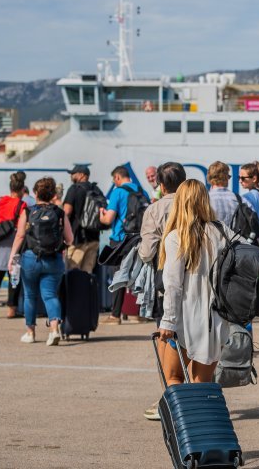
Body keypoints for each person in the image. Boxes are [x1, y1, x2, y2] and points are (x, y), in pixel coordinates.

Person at [208, 161, 259, 350]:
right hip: (256, 247)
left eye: (243, 178)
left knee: (234, 295)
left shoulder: (245, 198)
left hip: (224, 250)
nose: (240, 181)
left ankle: (233, 340)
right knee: (251, 290)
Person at [157, 179, 228, 386]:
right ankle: (202, 418)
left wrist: (168, 321)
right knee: (202, 383)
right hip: (216, 319)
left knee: (173, 377)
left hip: (185, 319)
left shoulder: (176, 237)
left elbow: (173, 285)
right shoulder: (221, 232)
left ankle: (182, 419)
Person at [138, 162, 186, 422]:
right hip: (198, 281)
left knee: (165, 337)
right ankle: (196, 395)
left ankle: (170, 398)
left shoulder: (155, 209)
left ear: (162, 184)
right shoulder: (196, 207)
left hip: (166, 279)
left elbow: (146, 252)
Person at [8, 177, 74, 345]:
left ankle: (30, 333)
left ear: (36, 193)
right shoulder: (59, 212)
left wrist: (12, 257)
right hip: (53, 259)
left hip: (31, 258)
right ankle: (54, 330)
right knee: (50, 295)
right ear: (53, 194)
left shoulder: (28, 212)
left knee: (30, 295)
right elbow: (70, 239)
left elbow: (20, 236)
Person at [99, 165, 148, 325]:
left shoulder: (118, 192)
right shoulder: (142, 192)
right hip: (138, 239)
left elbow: (108, 219)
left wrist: (101, 216)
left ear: (117, 178)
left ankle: (115, 315)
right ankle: (138, 313)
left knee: (118, 275)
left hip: (120, 239)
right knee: (137, 274)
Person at [0, 172, 27, 318]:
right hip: (14, 240)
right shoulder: (22, 204)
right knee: (13, 277)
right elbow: (23, 223)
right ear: (22, 190)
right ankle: (11, 310)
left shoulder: (0, 200)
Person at [62, 164, 103, 274]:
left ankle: (76, 292)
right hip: (94, 238)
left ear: (81, 175)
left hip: (77, 239)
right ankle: (85, 291)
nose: (71, 176)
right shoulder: (96, 189)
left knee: (73, 271)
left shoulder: (74, 189)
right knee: (87, 273)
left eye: (73, 174)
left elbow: (67, 211)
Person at [207, 161, 253, 226]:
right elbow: (252, 221)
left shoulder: (204, 199)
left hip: (210, 235)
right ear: (226, 178)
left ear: (209, 177)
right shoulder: (241, 200)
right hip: (235, 235)